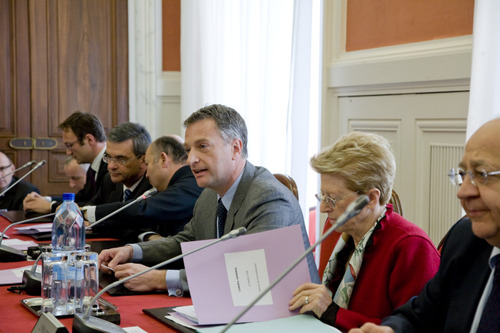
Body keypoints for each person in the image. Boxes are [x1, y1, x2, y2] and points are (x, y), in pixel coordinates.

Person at [98, 104, 320, 294]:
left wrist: (158, 279)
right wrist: (132, 251)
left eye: (203, 147)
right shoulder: (209, 194)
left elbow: (247, 276)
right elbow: (185, 242)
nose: (192, 159)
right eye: (188, 150)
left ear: (235, 148)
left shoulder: (268, 198)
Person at [349, 118, 500, 333]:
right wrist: (390, 331)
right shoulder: (466, 240)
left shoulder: (411, 242)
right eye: (464, 175)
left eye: (482, 174)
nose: (463, 192)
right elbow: (419, 317)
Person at [288, 132, 440, 331]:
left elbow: (415, 329)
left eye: (333, 198)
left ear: (371, 198)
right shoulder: (334, 227)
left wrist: (332, 312)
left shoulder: (412, 246)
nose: (324, 207)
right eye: (322, 195)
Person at [85, 135, 202, 242]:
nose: (146, 174)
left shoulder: (191, 183)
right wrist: (149, 236)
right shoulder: (171, 185)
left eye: (148, 163)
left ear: (163, 159)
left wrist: (85, 213)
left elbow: (143, 210)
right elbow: (139, 224)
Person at [23, 111, 108, 213]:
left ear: (89, 139)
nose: (68, 152)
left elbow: (99, 207)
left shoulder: (111, 165)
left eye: (70, 145)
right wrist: (46, 200)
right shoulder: (94, 165)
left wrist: (51, 206)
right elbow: (83, 199)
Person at [83, 121, 152, 208]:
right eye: (108, 157)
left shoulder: (155, 185)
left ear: (144, 159)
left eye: (121, 159)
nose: (111, 166)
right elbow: (92, 207)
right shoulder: (108, 180)